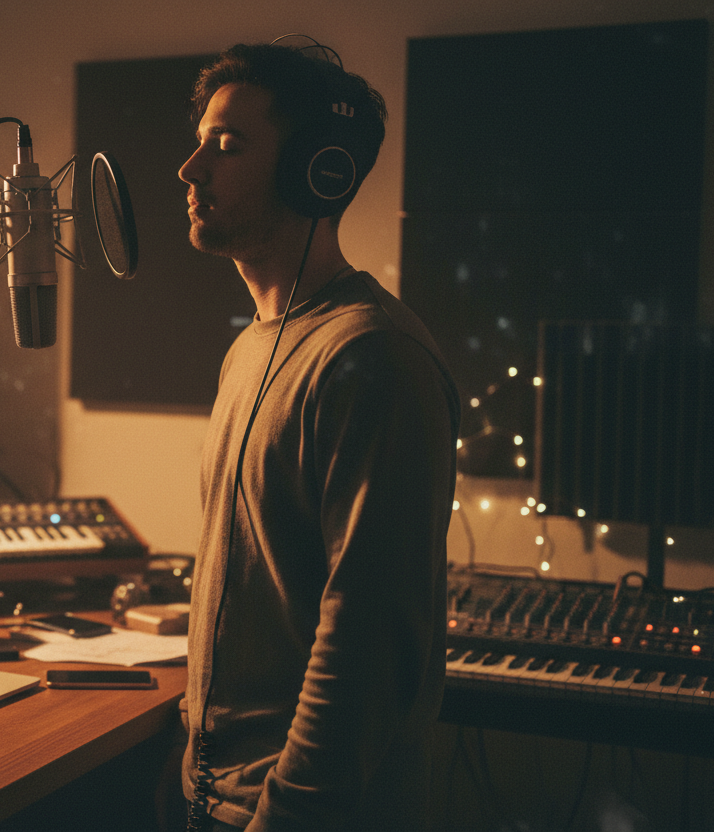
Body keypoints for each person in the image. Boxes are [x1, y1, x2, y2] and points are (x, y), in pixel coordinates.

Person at [177, 41, 460, 831]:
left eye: (226, 145)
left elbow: (367, 640)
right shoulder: (249, 349)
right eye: (200, 140)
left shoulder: (373, 358)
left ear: (318, 170)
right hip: (217, 798)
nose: (189, 169)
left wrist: (287, 814)